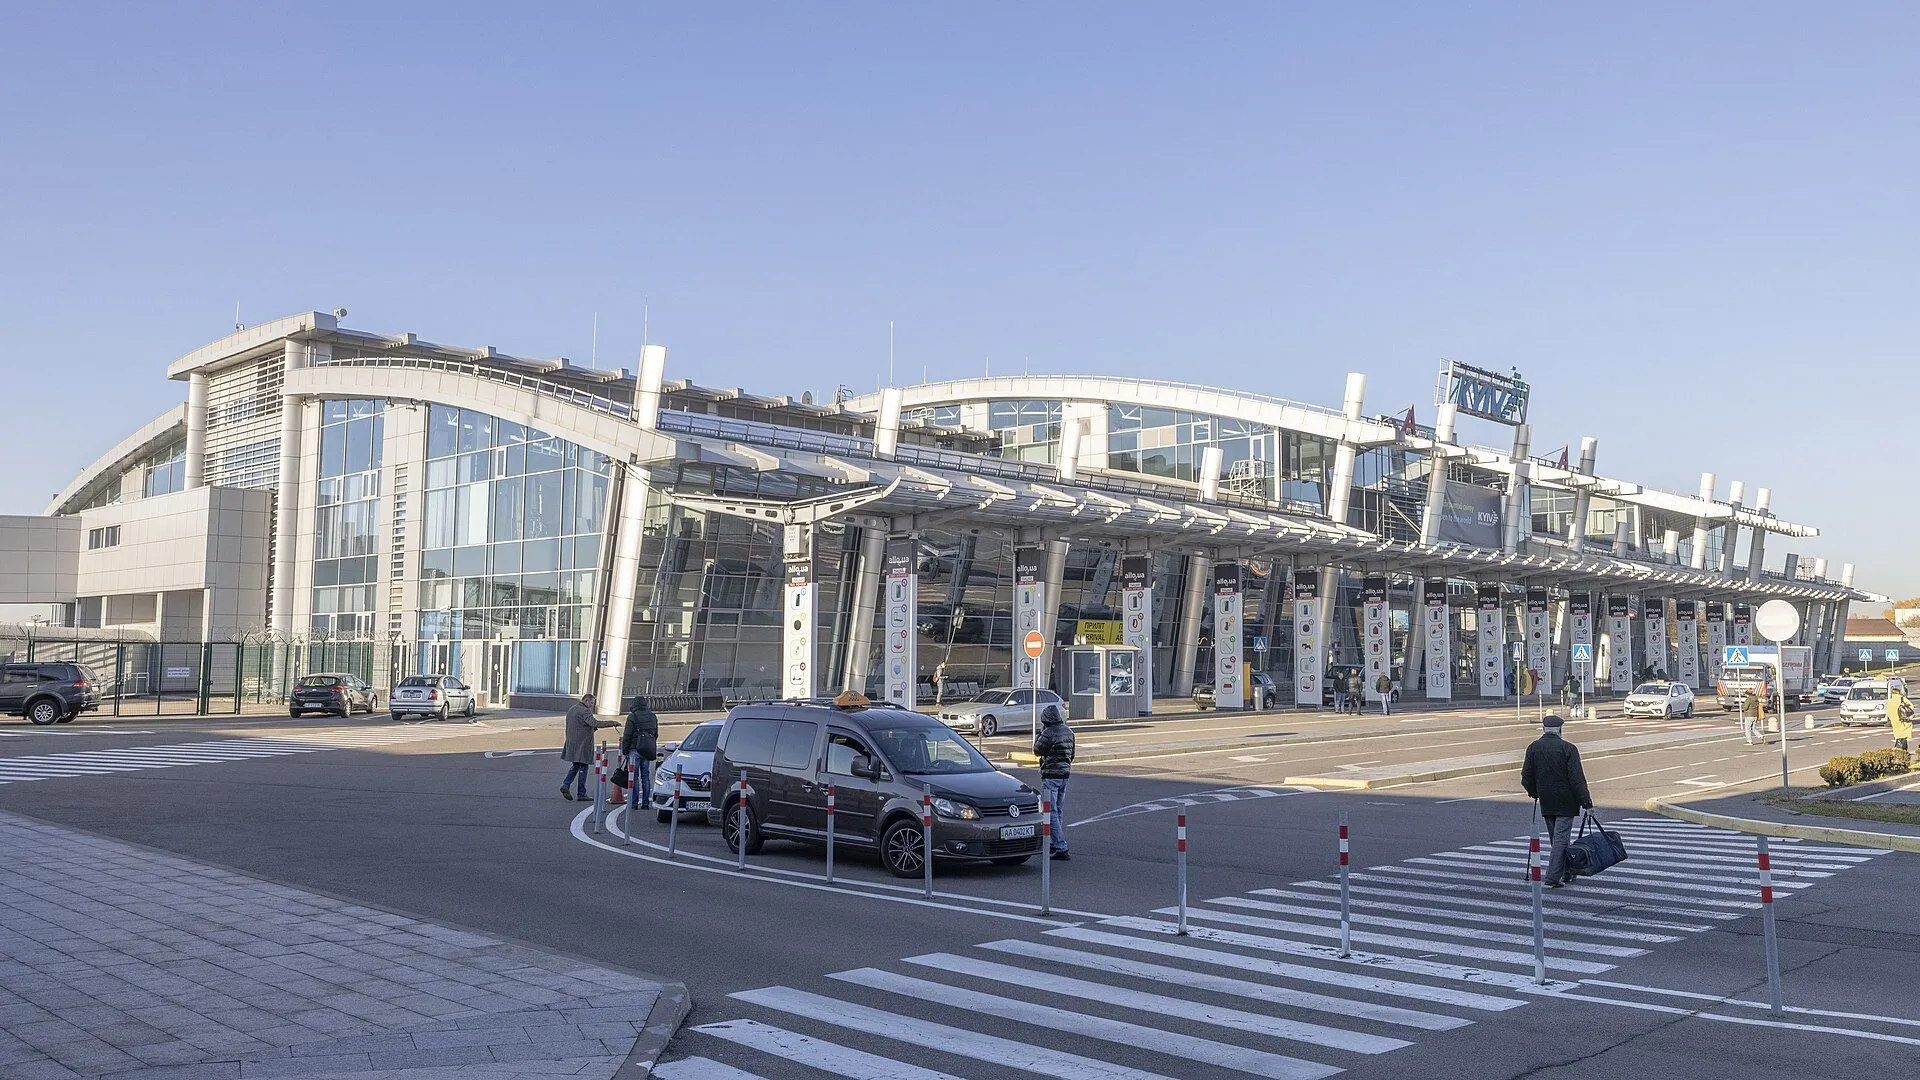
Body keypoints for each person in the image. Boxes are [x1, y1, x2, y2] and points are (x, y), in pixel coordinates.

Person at [1520, 714, 1593, 888]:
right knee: (1561, 840)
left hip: (1546, 800)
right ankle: (1553, 877)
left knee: (1558, 839)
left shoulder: (1533, 748)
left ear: (1544, 729)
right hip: (1566, 802)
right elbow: (1577, 779)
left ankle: (1567, 872)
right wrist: (1587, 804)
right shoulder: (1568, 748)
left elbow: (1526, 777)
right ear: (1560, 730)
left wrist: (1534, 792)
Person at [1033, 704, 1076, 861]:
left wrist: (1040, 733)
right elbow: (1072, 755)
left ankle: (1061, 846)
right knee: (1057, 809)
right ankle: (1054, 840)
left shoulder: (1048, 733)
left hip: (1051, 775)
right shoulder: (1069, 731)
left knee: (1049, 811)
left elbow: (1037, 750)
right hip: (1065, 774)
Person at [561, 692, 617, 802]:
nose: (592, 705)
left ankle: (566, 785)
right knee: (583, 766)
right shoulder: (585, 711)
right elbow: (594, 723)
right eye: (591, 702)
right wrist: (612, 722)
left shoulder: (572, 709)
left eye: (593, 703)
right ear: (585, 701)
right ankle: (581, 793)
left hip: (572, 742)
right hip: (582, 743)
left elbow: (581, 724)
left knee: (576, 765)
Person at [620, 694, 660, 814]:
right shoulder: (653, 716)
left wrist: (625, 749)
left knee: (634, 777)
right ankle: (646, 803)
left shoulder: (632, 716)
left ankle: (634, 803)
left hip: (635, 749)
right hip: (647, 750)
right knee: (645, 776)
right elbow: (655, 733)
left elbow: (627, 735)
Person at [1889, 683, 1914, 755]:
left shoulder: (1890, 701)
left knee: (1898, 735)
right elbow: (1911, 707)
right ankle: (1901, 750)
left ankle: (1900, 750)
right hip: (1904, 720)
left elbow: (1888, 711)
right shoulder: (1902, 699)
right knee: (1904, 736)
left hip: (1895, 721)